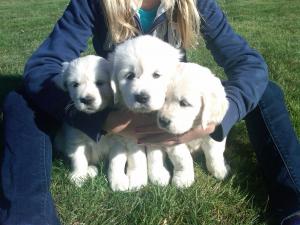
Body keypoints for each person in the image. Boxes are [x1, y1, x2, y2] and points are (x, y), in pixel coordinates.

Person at [0, 0, 299, 224]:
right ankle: (28, 215)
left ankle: (294, 201)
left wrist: (216, 118)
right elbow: (42, 67)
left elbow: (249, 64)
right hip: (117, 99)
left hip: (174, 97)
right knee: (20, 100)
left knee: (267, 91)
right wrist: (103, 120)